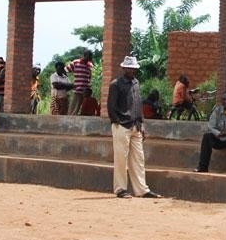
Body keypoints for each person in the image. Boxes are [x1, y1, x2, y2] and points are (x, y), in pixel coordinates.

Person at [106, 55, 160, 199]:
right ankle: (120, 189)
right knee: (121, 159)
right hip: (122, 126)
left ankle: (142, 190)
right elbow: (110, 107)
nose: (132, 70)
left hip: (136, 126)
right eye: (129, 68)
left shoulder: (136, 82)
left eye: (134, 68)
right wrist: (117, 122)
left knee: (139, 159)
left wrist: (142, 123)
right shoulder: (115, 84)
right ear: (124, 68)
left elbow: (138, 104)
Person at [195, 92, 226, 173]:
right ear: (222, 101)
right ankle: (203, 167)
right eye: (224, 100)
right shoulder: (216, 111)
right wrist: (218, 133)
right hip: (218, 138)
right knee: (207, 137)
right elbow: (211, 126)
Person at [66, 51, 94, 116]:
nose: (90, 58)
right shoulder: (75, 62)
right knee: (73, 110)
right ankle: (70, 121)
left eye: (91, 57)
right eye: (89, 56)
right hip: (77, 90)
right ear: (85, 55)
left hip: (86, 93)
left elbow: (90, 77)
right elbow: (65, 70)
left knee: (83, 111)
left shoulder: (90, 65)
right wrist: (69, 83)